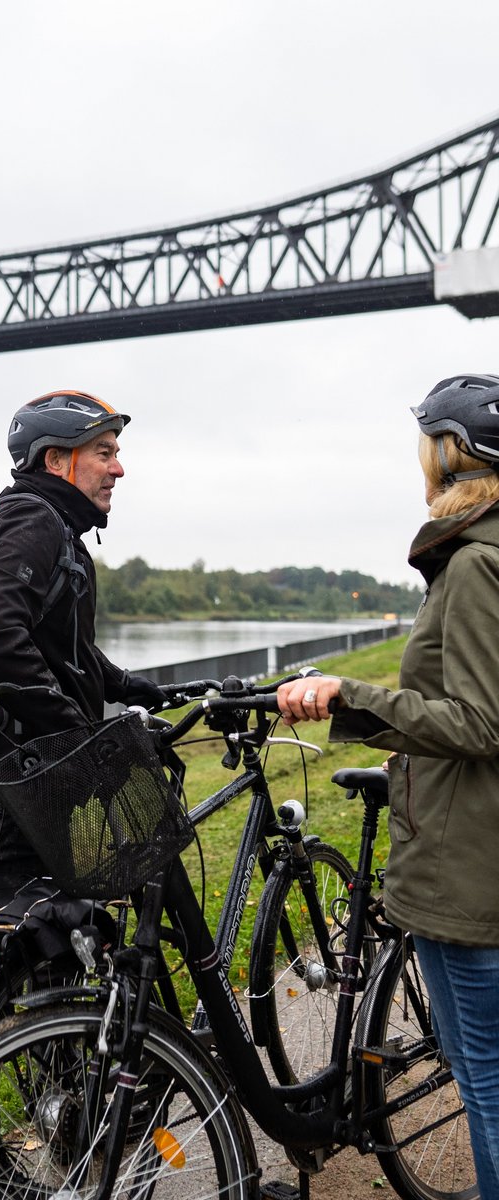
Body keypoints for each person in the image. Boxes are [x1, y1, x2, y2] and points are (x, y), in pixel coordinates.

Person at [276, 373, 499, 1196]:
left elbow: (481, 722)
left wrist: (350, 696)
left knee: (488, 1083)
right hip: (470, 854)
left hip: (468, 865)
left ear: (450, 454)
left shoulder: (478, 563)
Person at [0, 388, 166, 913]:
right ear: (56, 460)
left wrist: (120, 683)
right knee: (20, 939)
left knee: (56, 938)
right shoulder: (33, 521)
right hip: (15, 779)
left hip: (33, 774)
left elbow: (57, 644)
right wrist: (77, 738)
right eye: (104, 452)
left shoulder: (54, 525)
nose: (119, 470)